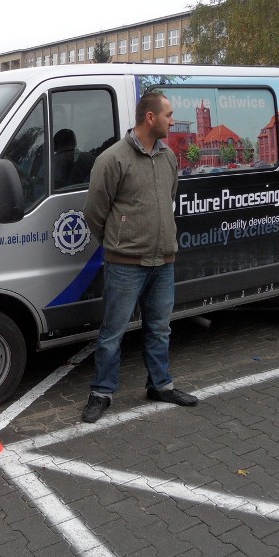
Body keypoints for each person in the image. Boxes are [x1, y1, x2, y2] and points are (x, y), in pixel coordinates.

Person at [82, 91, 198, 423]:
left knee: (160, 329)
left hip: (164, 262)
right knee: (113, 332)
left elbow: (169, 197)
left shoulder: (168, 158)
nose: (172, 121)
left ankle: (160, 385)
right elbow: (94, 211)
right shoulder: (113, 159)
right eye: (169, 115)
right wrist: (116, 241)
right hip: (125, 264)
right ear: (150, 118)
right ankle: (102, 392)